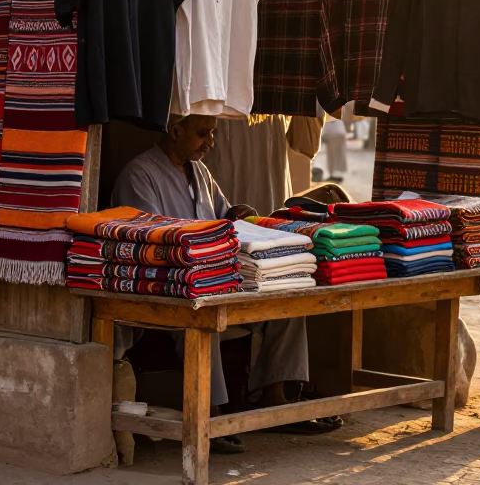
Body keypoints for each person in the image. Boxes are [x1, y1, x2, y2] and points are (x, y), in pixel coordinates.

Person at [112, 114, 333, 453]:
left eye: (213, 133)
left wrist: (237, 216)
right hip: (168, 287)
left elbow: (222, 215)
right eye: (203, 134)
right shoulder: (139, 174)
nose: (211, 142)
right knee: (207, 314)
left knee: (287, 300)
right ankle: (210, 416)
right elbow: (149, 240)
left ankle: (276, 397)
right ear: (176, 131)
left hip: (214, 277)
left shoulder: (200, 172)